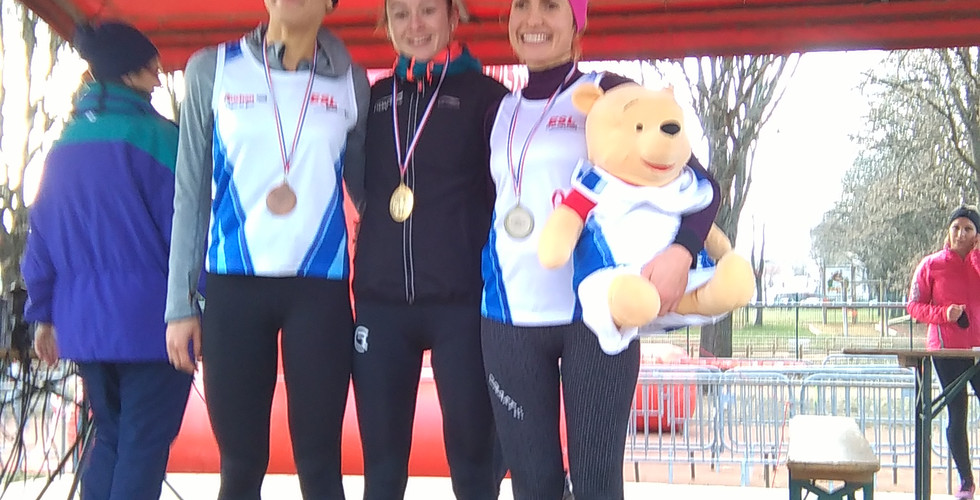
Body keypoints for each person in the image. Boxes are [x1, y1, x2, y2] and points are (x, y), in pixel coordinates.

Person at [480, 0, 721, 497]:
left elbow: (702, 186)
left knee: (596, 485)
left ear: (577, 22)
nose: (533, 19)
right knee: (533, 486)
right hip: (508, 316)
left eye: (551, 5)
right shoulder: (497, 112)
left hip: (596, 317)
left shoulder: (611, 94)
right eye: (521, 5)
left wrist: (681, 252)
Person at [163, 0, 369, 497]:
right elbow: (190, 193)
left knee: (320, 463)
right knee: (240, 464)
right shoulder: (212, 69)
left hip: (319, 292)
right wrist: (179, 305)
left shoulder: (352, 81)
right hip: (234, 290)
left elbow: (368, 192)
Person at [21, 21, 191, 500]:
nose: (159, 78)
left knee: (110, 439)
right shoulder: (160, 138)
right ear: (131, 73)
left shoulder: (62, 146)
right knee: (143, 445)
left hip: (85, 328)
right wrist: (202, 302)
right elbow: (187, 231)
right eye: (153, 68)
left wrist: (44, 316)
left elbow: (40, 240)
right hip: (152, 325)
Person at [349, 0, 508, 497]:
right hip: (380, 305)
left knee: (473, 462)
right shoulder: (374, 100)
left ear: (453, 17)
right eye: (400, 14)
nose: (414, 25)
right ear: (386, 25)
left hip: (462, 306)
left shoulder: (488, 97)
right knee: (381, 468)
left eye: (427, 11)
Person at [908, 205, 980, 500]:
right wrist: (943, 314)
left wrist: (975, 257)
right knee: (956, 412)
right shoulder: (931, 265)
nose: (961, 234)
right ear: (948, 231)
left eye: (968, 229)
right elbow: (913, 306)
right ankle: (966, 482)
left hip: (978, 351)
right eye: (956, 227)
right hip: (946, 349)